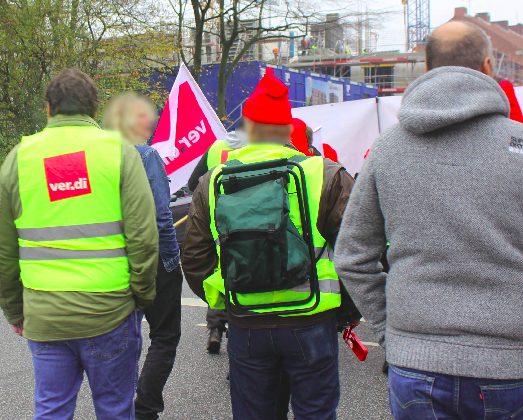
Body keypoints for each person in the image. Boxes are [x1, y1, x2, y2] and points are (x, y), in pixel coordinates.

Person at [334, 21, 523, 420]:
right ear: (489, 66)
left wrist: (393, 331)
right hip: (509, 366)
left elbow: (352, 256)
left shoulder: (387, 149)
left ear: (426, 68)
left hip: (416, 362)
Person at [182, 69, 358, 420]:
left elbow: (195, 257)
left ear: (247, 127)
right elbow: (358, 252)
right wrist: (346, 313)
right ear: (288, 127)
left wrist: (226, 301)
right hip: (312, 320)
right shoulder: (327, 174)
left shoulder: (212, 181)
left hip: (247, 323)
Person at [0, 69, 159, 420]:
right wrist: (141, 296)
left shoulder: (19, 158)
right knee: (114, 409)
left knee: (52, 411)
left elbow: (0, 247)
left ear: (48, 109)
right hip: (110, 311)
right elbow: (143, 236)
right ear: (94, 110)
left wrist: (15, 310)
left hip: (46, 315)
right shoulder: (121, 153)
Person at [102, 93, 182, 420]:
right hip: (153, 259)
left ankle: (122, 406)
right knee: (164, 336)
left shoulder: (99, 157)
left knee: (127, 339)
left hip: (116, 263)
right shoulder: (146, 155)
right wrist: (172, 260)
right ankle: (146, 407)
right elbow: (162, 216)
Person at [187, 125, 248, 353]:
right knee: (239, 271)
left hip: (215, 216)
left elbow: (194, 183)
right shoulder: (255, 147)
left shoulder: (215, 147)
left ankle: (214, 328)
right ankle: (237, 335)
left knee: (218, 272)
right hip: (245, 216)